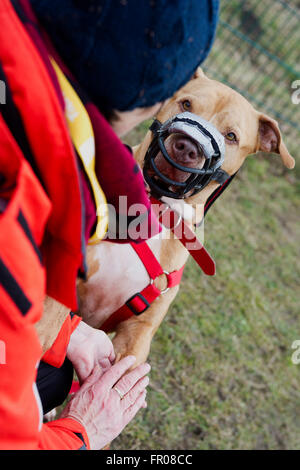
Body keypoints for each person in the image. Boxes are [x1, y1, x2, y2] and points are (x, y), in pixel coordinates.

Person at [0, 0, 219, 450]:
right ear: (155, 102)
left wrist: (66, 330)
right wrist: (82, 433)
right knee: (53, 377)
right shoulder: (19, 227)